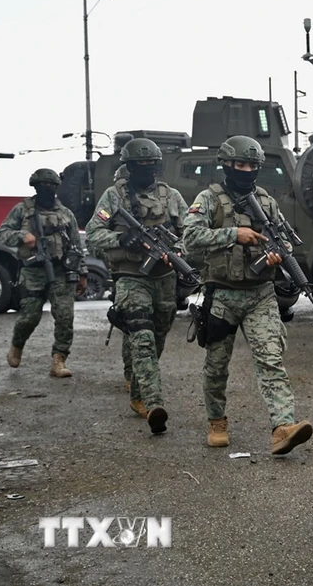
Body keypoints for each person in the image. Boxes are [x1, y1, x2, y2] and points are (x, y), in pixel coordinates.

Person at [182, 135, 312, 454]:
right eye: (241, 164)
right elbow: (189, 238)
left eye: (252, 165)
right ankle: (216, 421)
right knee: (216, 365)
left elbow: (282, 237)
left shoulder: (266, 201)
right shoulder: (209, 199)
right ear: (226, 165)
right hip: (222, 294)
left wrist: (277, 254)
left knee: (271, 359)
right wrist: (233, 234)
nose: (246, 170)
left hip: (260, 294)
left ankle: (283, 426)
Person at [85, 138, 189, 434]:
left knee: (157, 336)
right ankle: (153, 402)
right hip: (131, 276)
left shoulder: (171, 197)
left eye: (150, 164)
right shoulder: (113, 196)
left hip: (164, 278)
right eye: (138, 165)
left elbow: (189, 233)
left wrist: (178, 251)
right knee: (141, 335)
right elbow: (93, 234)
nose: (145, 169)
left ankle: (136, 390)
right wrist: (120, 239)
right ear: (128, 167)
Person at [0, 169, 87, 377]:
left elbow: (76, 245)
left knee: (65, 317)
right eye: (42, 186)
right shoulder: (22, 209)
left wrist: (82, 273)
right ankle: (17, 344)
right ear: (35, 187)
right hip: (33, 272)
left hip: (61, 271)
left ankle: (59, 360)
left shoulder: (66, 213)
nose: (47, 189)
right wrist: (22, 235)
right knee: (30, 317)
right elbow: (3, 234)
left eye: (51, 186)